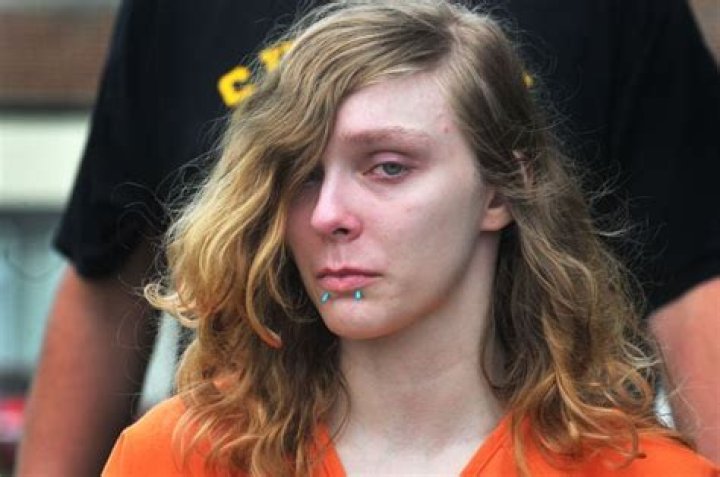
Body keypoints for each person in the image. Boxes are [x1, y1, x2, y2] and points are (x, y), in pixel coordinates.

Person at [17, 0, 720, 474]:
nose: (329, 213)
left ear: (502, 189)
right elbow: (105, 270)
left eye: (388, 167)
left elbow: (697, 274)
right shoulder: (174, 457)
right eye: (301, 175)